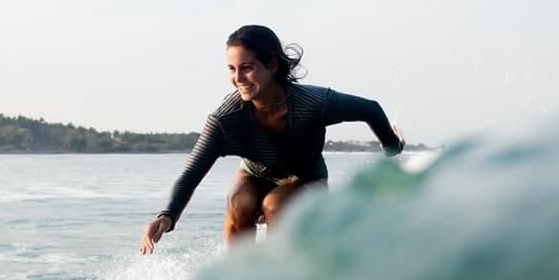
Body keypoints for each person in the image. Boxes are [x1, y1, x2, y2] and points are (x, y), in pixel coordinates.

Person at [139, 25, 404, 254]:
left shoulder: (313, 104)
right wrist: (166, 216)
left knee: (274, 205)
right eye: (232, 69)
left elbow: (370, 109)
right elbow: (191, 173)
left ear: (272, 66)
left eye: (247, 68)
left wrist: (391, 148)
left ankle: (284, 279)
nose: (238, 79)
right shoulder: (225, 119)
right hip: (254, 176)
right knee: (239, 201)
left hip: (307, 179)